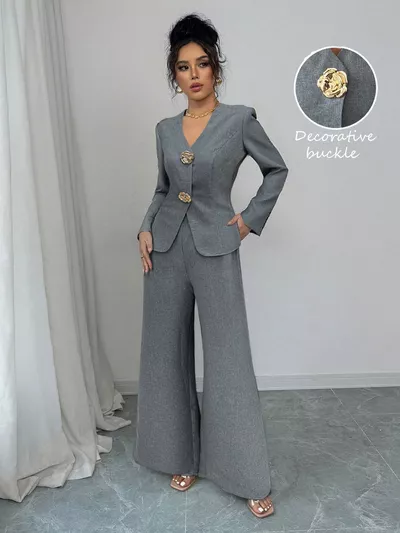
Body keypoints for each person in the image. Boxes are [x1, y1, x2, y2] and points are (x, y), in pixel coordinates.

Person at [134, 13, 288, 519]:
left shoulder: (239, 120)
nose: (194, 74)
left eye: (202, 64)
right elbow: (162, 189)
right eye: (183, 67)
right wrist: (145, 227)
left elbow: (276, 169)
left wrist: (247, 222)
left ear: (215, 68)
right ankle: (179, 456)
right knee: (164, 356)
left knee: (228, 358)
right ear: (174, 75)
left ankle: (246, 474)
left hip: (216, 245)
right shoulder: (164, 130)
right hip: (165, 247)